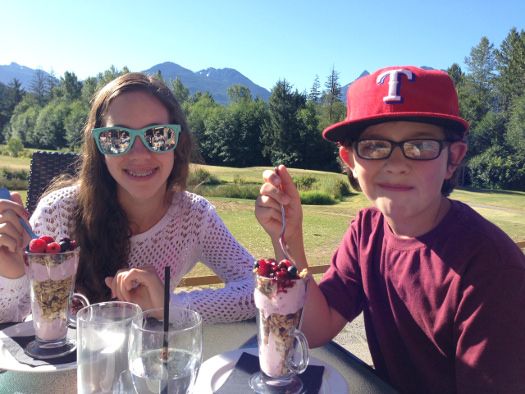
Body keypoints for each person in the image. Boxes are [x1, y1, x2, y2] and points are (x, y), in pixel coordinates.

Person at [255, 66, 525, 393]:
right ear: (350, 159)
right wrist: (288, 238)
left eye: (421, 146)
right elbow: (314, 329)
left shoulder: (491, 270)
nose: (396, 163)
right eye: (374, 146)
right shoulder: (366, 232)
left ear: (453, 158)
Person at [0, 72, 255, 324]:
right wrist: (11, 276)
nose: (139, 153)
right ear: (99, 148)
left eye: (158, 135)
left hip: (150, 362)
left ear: (177, 143)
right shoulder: (57, 212)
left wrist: (168, 306)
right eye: (117, 137)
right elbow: (15, 316)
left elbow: (259, 290)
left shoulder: (195, 217)